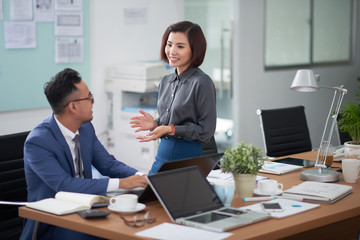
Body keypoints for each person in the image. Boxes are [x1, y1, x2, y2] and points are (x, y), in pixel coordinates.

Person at [20, 68, 148, 240]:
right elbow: (64, 185)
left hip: (87, 211)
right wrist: (123, 183)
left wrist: (141, 177)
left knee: (132, 226)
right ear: (73, 106)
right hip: (53, 222)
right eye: (89, 97)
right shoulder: (38, 142)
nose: (93, 102)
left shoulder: (85, 128)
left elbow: (107, 164)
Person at [130, 21, 217, 174]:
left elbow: (206, 130)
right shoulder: (165, 81)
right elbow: (167, 122)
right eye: (169, 44)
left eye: (180, 46)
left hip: (188, 160)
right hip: (162, 157)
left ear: (194, 50)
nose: (172, 51)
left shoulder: (202, 82)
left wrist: (170, 129)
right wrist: (155, 123)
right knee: (145, 196)